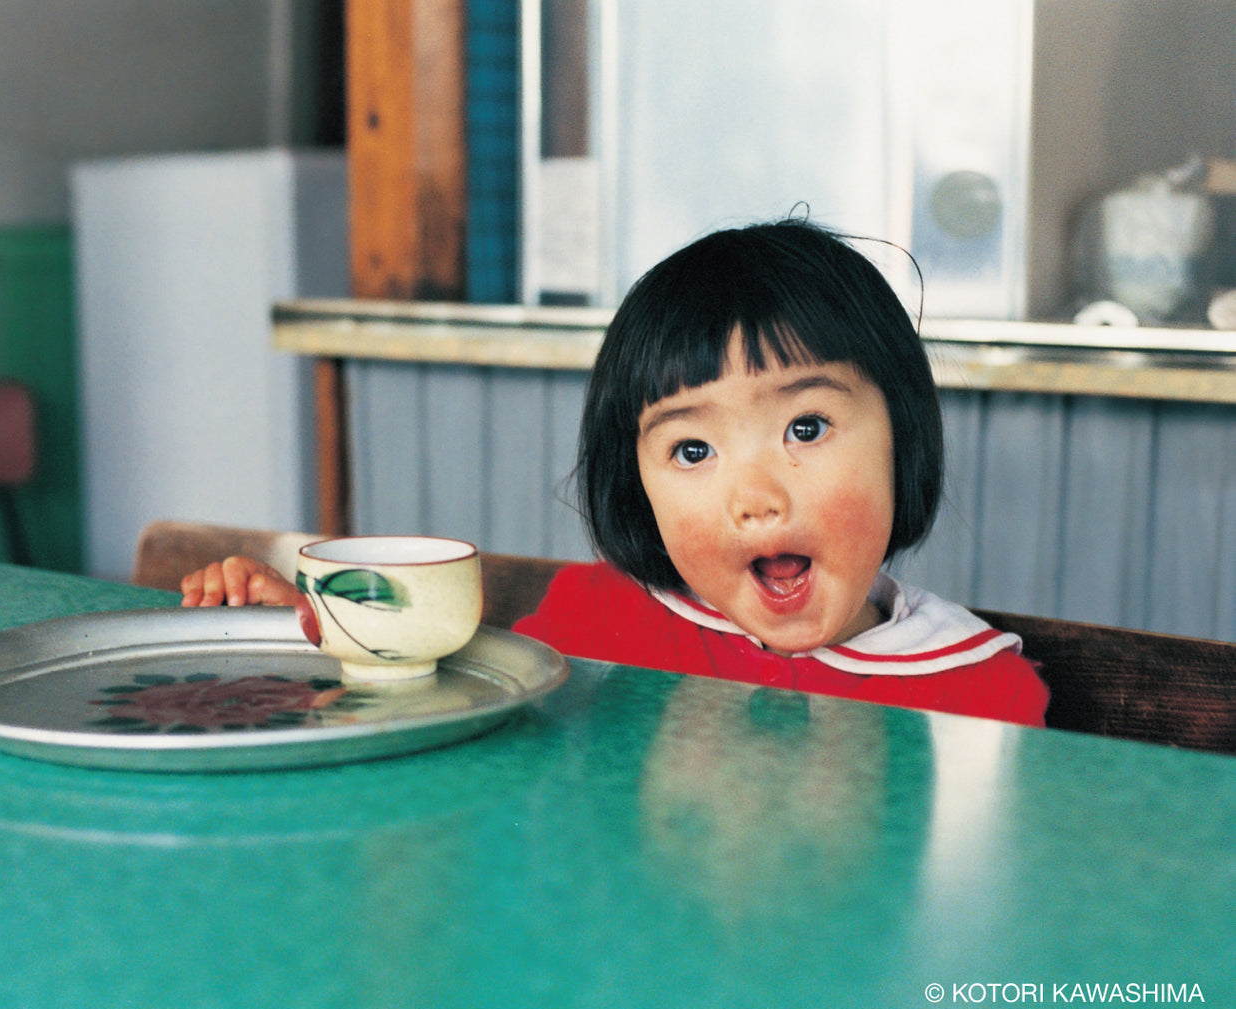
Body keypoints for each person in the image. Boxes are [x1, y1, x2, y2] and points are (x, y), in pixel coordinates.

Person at [181, 218, 1048, 727]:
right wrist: (292, 634)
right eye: (692, 451)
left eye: (806, 426)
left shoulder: (980, 690)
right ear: (638, 485)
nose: (755, 498)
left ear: (904, 433)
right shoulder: (596, 628)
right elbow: (439, 723)